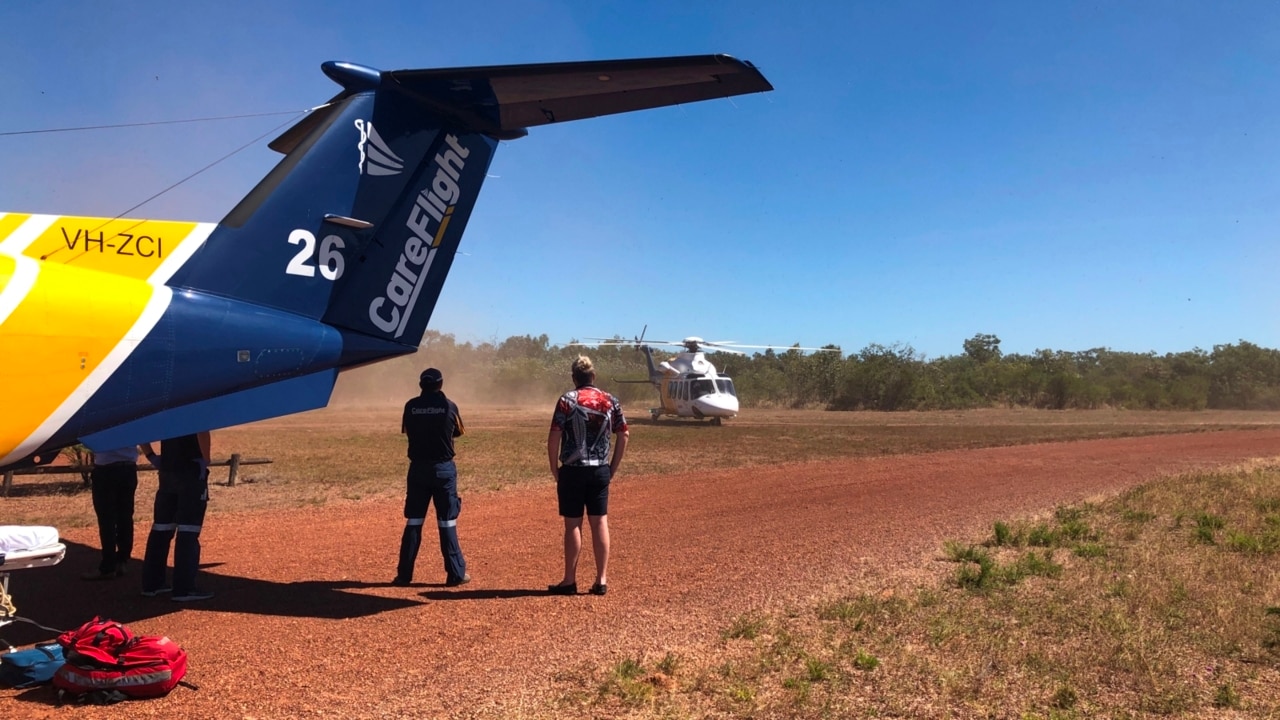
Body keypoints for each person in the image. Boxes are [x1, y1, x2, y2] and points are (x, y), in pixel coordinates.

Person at [547, 355, 628, 596]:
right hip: (600, 470)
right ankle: (601, 579)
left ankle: (569, 580)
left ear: (574, 378)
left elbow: (554, 436)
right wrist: (612, 467)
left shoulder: (566, 400)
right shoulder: (610, 400)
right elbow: (623, 434)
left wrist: (555, 469)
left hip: (572, 471)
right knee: (599, 521)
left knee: (573, 524)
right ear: (593, 376)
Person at [393, 368, 470, 587]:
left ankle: (404, 575)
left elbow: (408, 430)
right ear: (440, 384)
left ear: (421, 385)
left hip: (417, 469)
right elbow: (458, 432)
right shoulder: (450, 406)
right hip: (443, 470)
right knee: (447, 522)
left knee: (414, 522)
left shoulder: (410, 406)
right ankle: (455, 574)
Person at [139, 432, 214, 602]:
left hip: (167, 471)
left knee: (161, 528)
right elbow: (202, 431)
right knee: (189, 530)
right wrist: (206, 459)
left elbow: (141, 430)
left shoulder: (165, 408)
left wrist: (151, 455)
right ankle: (184, 588)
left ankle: (152, 584)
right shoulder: (194, 408)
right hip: (191, 471)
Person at [80, 446, 140, 581]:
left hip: (106, 469)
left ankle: (108, 566)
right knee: (125, 516)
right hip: (128, 468)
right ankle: (122, 561)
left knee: (106, 519)